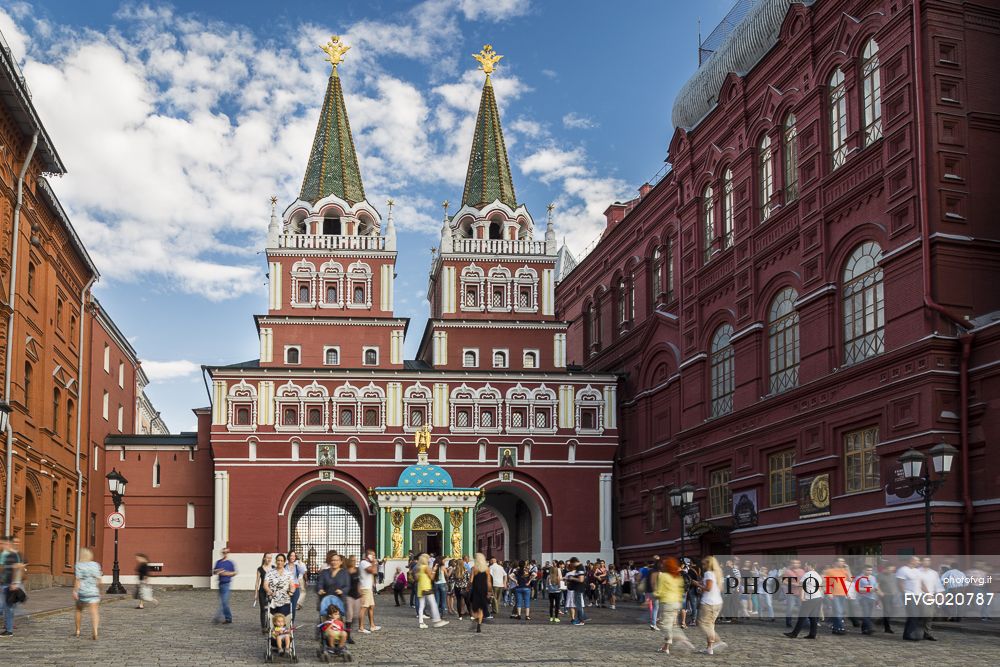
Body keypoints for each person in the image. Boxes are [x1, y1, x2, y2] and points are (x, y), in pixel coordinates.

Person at [653, 557, 695, 655]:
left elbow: (659, 591)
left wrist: (654, 595)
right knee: (672, 625)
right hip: (676, 603)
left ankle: (683, 640)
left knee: (664, 625)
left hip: (667, 603)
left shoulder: (663, 576)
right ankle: (666, 647)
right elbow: (681, 591)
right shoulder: (677, 576)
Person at [693, 555, 726, 655]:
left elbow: (708, 588)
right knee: (710, 625)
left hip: (708, 603)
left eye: (704, 564)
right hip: (717, 602)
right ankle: (709, 648)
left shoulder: (708, 573)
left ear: (708, 564)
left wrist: (697, 584)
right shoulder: (717, 573)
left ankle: (718, 641)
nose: (702, 566)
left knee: (702, 624)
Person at [316, 553, 353, 643]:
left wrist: (342, 591)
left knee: (338, 621)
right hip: (326, 600)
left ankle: (342, 638)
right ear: (330, 561)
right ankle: (325, 638)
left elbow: (348, 586)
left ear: (340, 562)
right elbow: (319, 583)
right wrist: (320, 589)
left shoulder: (344, 573)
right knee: (326, 620)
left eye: (336, 560)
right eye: (332, 560)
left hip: (339, 600)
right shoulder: (325, 572)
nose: (334, 562)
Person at [785, 560, 823, 640]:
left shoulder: (807, 574)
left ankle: (794, 633)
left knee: (802, 616)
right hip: (818, 597)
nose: (804, 567)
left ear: (810, 566)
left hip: (810, 598)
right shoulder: (817, 575)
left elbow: (802, 586)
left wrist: (802, 597)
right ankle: (812, 634)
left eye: (805, 566)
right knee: (813, 617)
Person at [72, 548, 103, 640]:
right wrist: (100, 591)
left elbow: (78, 580)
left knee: (78, 610)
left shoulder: (79, 565)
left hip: (82, 592)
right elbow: (99, 580)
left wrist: (75, 591)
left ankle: (78, 630)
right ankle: (95, 630)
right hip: (93, 592)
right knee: (94, 612)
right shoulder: (95, 565)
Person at [415, 554, 449, 629]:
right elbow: (432, 577)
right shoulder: (426, 567)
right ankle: (437, 620)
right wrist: (434, 570)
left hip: (420, 587)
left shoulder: (419, 567)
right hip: (427, 587)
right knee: (433, 604)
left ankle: (421, 622)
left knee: (421, 605)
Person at [897, 556, 923, 640]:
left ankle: (907, 634)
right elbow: (900, 583)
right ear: (911, 561)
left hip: (917, 595)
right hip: (908, 595)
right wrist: (905, 594)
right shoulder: (903, 570)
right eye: (917, 560)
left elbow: (920, 584)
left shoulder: (917, 571)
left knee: (914, 615)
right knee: (913, 614)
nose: (919, 562)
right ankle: (910, 634)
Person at [358, 548, 381, 633]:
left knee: (371, 607)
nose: (374, 557)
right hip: (365, 588)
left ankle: (372, 625)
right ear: (369, 555)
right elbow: (373, 571)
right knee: (364, 607)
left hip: (368, 588)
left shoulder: (368, 563)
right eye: (373, 555)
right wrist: (374, 563)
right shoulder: (364, 563)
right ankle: (361, 627)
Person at [918, 557, 942, 641]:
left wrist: (941, 594)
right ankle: (917, 632)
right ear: (921, 562)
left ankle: (927, 633)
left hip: (931, 596)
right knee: (923, 614)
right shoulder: (917, 571)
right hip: (920, 595)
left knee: (930, 616)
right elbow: (918, 584)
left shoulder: (934, 573)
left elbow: (937, 585)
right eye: (925, 560)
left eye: (928, 561)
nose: (927, 562)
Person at [213, 547, 237, 624]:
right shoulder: (218, 562)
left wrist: (227, 573)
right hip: (220, 584)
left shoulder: (230, 563)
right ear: (222, 553)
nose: (225, 554)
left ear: (228, 553)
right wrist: (217, 571)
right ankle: (228, 618)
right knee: (223, 601)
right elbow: (214, 572)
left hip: (226, 584)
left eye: (226, 552)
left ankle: (220, 617)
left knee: (224, 602)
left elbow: (234, 573)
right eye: (224, 552)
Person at [265, 553, 293, 617]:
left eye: (281, 561)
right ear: (275, 561)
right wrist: (269, 591)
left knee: (283, 619)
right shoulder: (270, 572)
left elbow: (292, 585)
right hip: (273, 599)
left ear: (284, 562)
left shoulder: (288, 573)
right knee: (274, 620)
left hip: (285, 599)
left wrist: (291, 591)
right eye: (278, 560)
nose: (279, 562)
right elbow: (265, 585)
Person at [469, 553, 491, 633]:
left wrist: (468, 587)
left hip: (476, 589)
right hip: (484, 589)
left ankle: (475, 619)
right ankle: (479, 624)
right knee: (481, 607)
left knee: (475, 607)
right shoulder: (487, 569)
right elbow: (488, 581)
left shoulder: (474, 568)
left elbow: (471, 580)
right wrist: (489, 591)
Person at [343, 556, 362, 644]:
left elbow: (358, 581)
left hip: (357, 595)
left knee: (356, 615)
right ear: (349, 561)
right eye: (352, 560)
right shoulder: (345, 571)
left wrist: (360, 591)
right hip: (348, 595)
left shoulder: (358, 570)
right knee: (349, 614)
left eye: (355, 560)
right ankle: (348, 636)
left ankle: (347, 628)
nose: (354, 562)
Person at [782, 559, 805, 628]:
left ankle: (801, 623)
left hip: (800, 592)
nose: (795, 564)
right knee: (790, 608)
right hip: (791, 593)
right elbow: (784, 581)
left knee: (801, 608)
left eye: (797, 563)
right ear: (791, 564)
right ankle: (788, 622)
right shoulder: (788, 572)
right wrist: (793, 584)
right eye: (793, 563)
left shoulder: (802, 571)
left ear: (799, 564)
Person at [856, 565, 879, 634]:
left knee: (868, 614)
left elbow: (875, 587)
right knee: (866, 613)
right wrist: (868, 589)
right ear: (863, 570)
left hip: (872, 598)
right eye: (867, 570)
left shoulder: (873, 578)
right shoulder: (859, 578)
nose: (869, 572)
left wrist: (877, 591)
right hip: (863, 598)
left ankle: (864, 630)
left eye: (870, 570)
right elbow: (857, 588)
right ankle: (870, 627)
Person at [253, 553, 273, 633]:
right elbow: (257, 582)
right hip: (262, 591)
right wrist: (256, 593)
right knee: (263, 609)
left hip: (271, 591)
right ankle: (263, 627)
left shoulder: (273, 568)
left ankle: (270, 625)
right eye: (267, 558)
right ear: (264, 558)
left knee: (272, 609)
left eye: (270, 558)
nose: (269, 559)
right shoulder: (260, 569)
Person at [876, 563, 899, 633]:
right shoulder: (880, 576)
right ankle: (887, 628)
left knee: (894, 611)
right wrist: (880, 593)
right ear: (885, 569)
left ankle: (881, 621)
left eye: (893, 570)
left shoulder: (893, 575)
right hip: (885, 596)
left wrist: (896, 592)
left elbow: (895, 584)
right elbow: (876, 585)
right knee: (887, 611)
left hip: (893, 595)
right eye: (890, 570)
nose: (891, 571)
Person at [566, 557, 589, 626]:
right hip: (577, 588)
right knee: (578, 604)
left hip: (578, 588)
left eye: (572, 564)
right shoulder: (580, 567)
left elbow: (581, 579)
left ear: (574, 562)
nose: (572, 566)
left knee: (578, 605)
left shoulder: (580, 568)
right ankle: (583, 618)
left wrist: (572, 578)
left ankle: (581, 620)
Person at [286, 550, 307, 622]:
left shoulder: (297, 566)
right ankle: (285, 622)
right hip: (286, 588)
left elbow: (303, 571)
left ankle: (291, 623)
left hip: (295, 588)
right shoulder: (285, 566)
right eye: (291, 555)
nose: (292, 557)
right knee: (286, 606)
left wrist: (300, 563)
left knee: (293, 607)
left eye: (294, 556)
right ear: (288, 556)